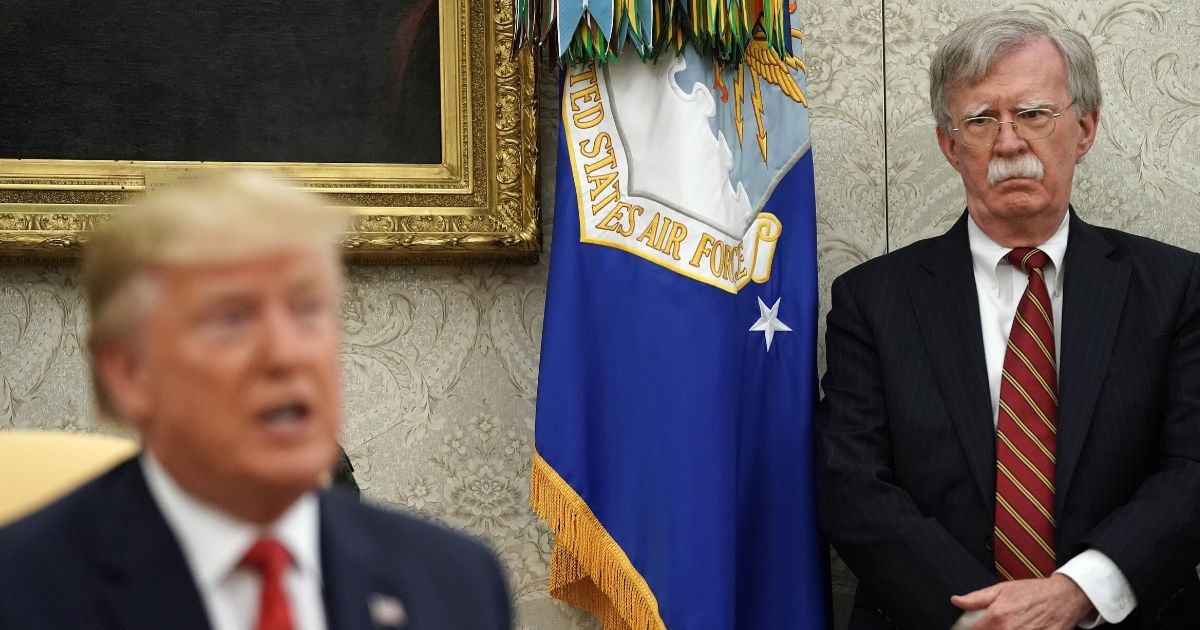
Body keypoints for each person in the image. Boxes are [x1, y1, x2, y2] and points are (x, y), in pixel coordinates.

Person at [816, 11, 1200, 630]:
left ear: (1085, 127)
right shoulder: (871, 299)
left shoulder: (1177, 287)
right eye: (981, 119)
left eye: (1033, 113)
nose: (1009, 142)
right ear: (948, 144)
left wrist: (1076, 592)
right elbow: (852, 486)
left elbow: (1191, 469)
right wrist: (993, 617)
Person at [0, 173, 512, 630]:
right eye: (232, 318)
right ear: (131, 374)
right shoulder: (23, 592)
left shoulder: (456, 582)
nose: (286, 355)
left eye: (307, 309)